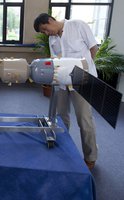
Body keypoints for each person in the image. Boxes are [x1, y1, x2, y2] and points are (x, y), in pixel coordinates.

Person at [33, 13, 98, 170]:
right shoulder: (52, 39)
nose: (47, 33)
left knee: (84, 120)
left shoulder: (77, 25)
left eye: (45, 29)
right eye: (44, 32)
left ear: (50, 21)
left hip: (82, 80)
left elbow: (93, 48)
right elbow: (54, 60)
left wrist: (86, 71)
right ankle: (63, 150)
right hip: (62, 83)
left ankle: (90, 157)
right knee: (61, 118)